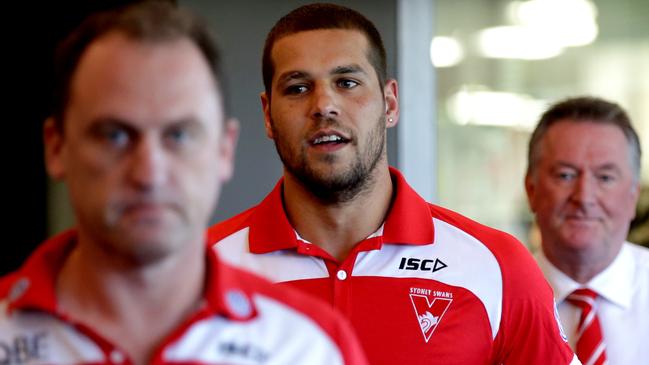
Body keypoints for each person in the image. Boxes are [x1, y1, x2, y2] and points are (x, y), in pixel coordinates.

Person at [209, 3, 579, 364]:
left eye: (347, 82)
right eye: (298, 88)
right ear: (268, 115)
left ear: (390, 104)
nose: (324, 105)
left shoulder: (497, 266)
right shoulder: (199, 271)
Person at [0, 2, 368, 365]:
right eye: (114, 135)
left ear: (224, 150)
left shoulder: (309, 348)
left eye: (179, 135)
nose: (148, 173)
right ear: (56, 147)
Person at [525, 96, 648, 365]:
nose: (584, 197)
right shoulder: (495, 299)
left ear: (632, 196)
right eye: (565, 175)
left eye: (605, 177)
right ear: (531, 190)